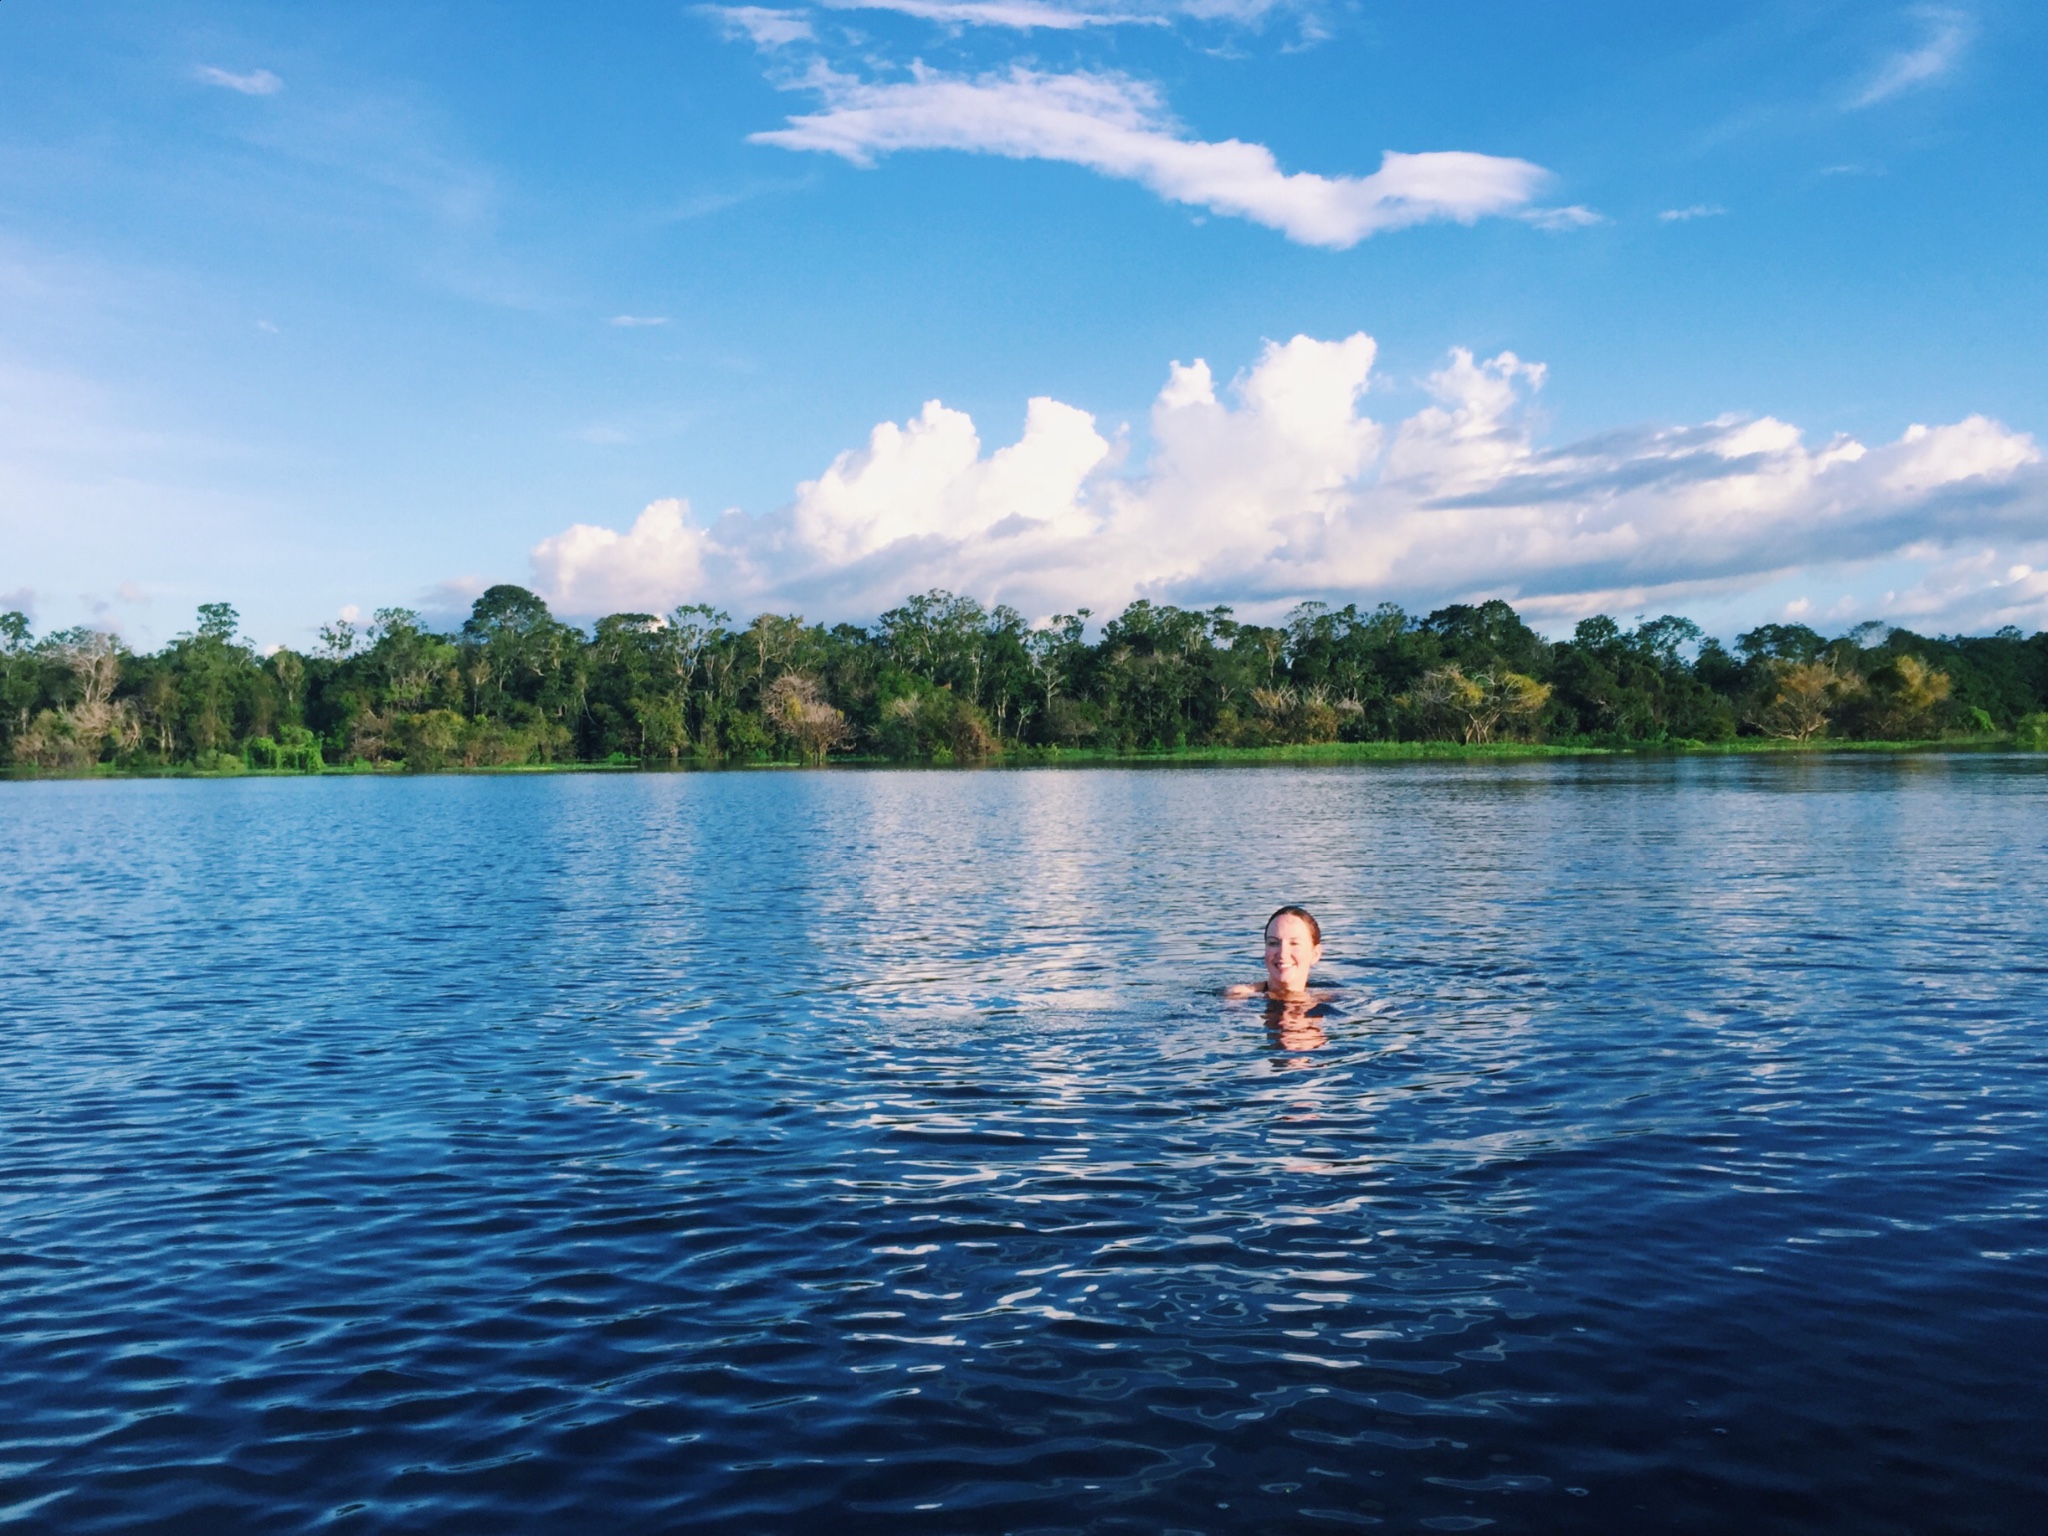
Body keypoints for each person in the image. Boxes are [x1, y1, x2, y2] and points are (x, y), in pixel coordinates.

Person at [1226, 905, 1340, 1049]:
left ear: (1315, 954)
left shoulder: (1335, 998)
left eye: (1294, 943)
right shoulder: (1240, 996)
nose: (1282, 953)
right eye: (1273, 943)